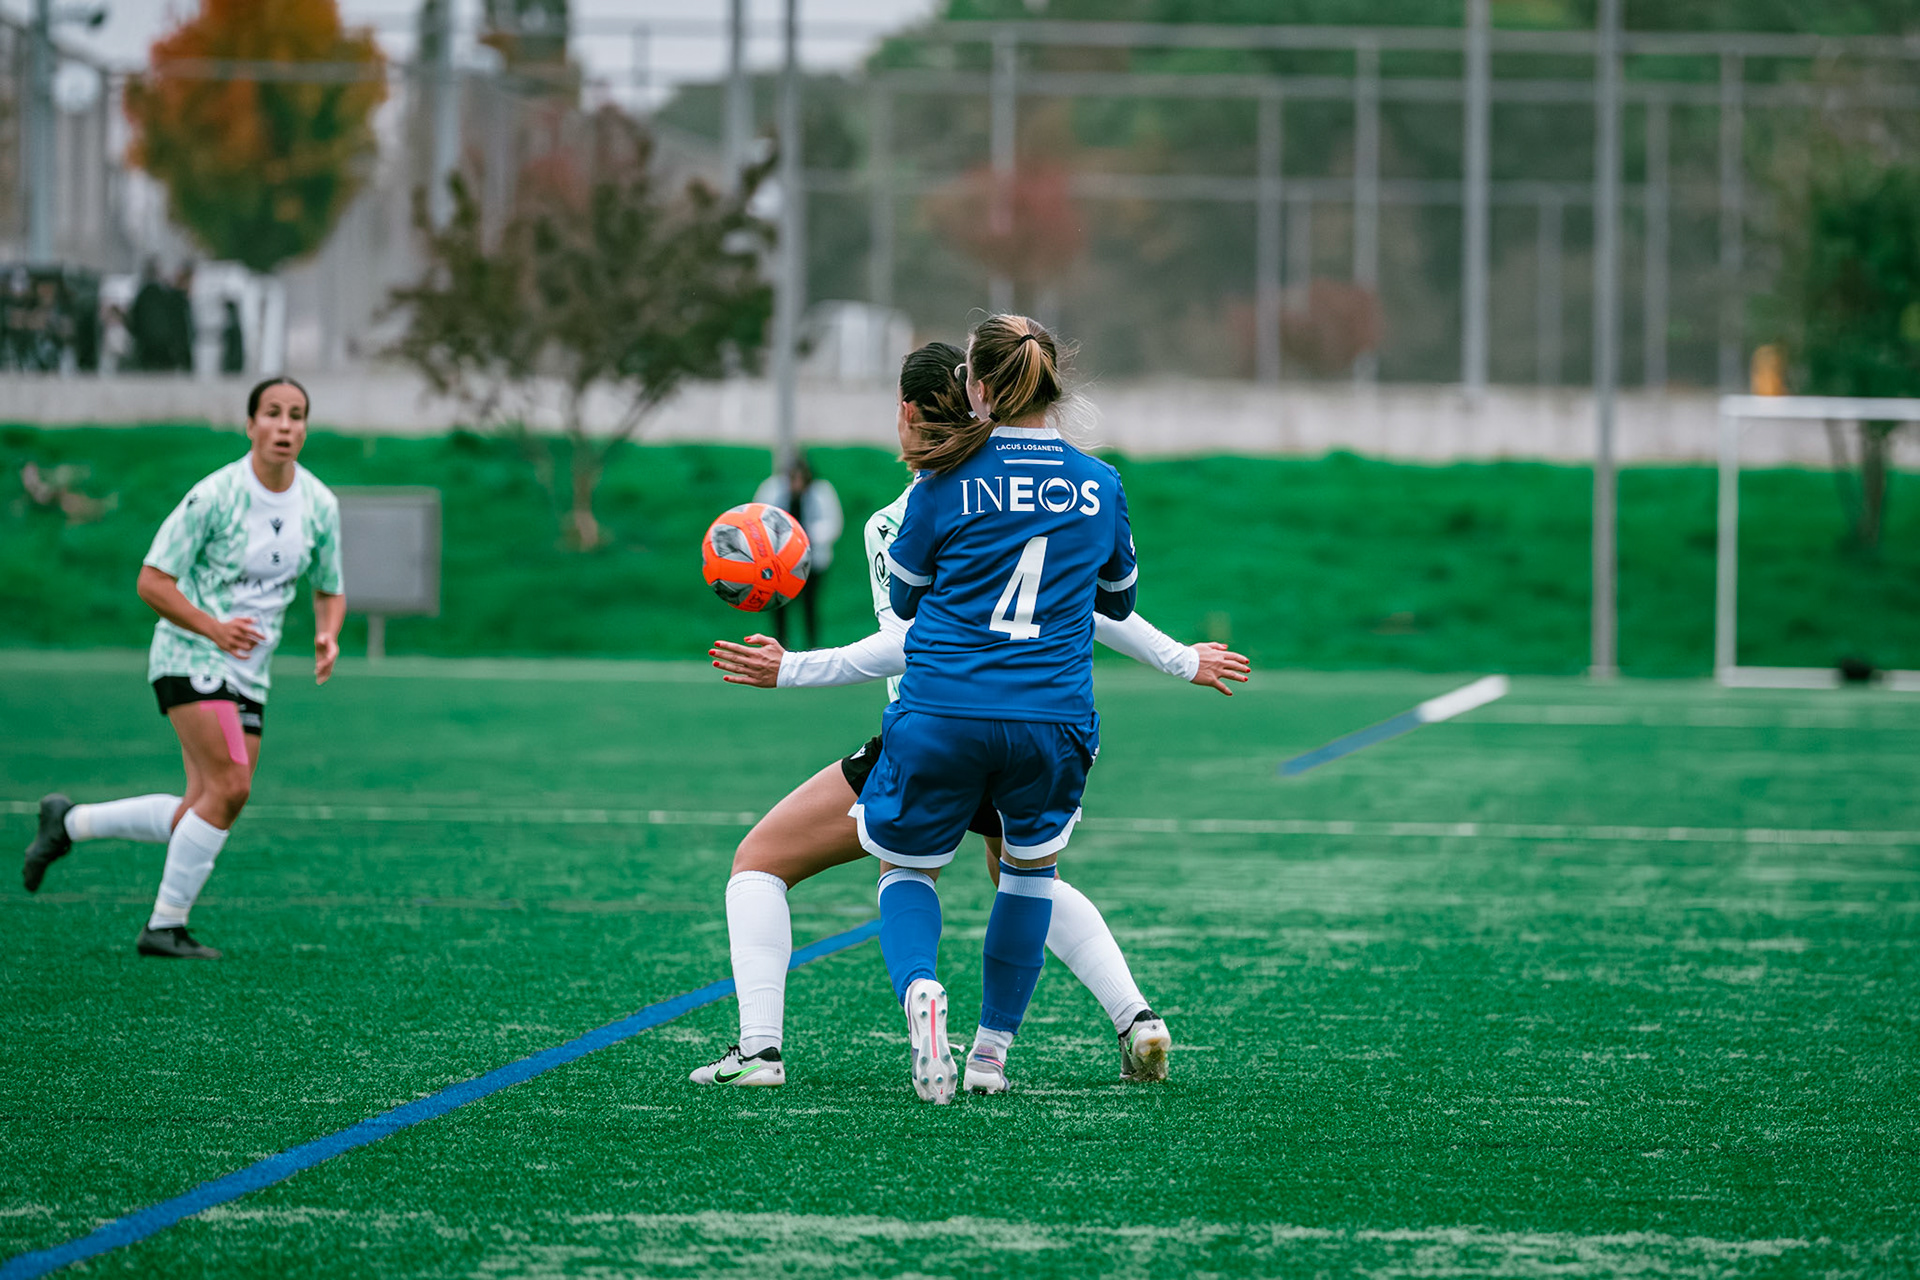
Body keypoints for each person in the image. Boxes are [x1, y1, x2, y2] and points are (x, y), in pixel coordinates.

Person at [692, 339, 1245, 1094]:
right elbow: (1092, 602)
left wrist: (791, 668)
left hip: (936, 727)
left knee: (765, 860)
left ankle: (763, 1049)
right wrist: (1182, 657)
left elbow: (909, 640)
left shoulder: (916, 507)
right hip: (1041, 724)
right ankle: (1119, 1020)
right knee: (1025, 874)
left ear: (909, 411)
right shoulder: (1076, 483)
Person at [859, 314, 1136, 1103]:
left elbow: (907, 598)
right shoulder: (1102, 484)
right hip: (1051, 718)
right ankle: (989, 1057)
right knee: (1028, 875)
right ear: (1054, 382)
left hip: (943, 708)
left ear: (976, 388)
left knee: (907, 865)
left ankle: (920, 989)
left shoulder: (944, 482)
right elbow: (1117, 598)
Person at [22, 378, 346, 958]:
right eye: (272, 413)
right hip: (190, 654)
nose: (285, 425)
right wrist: (214, 628)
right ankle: (164, 926)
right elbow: (152, 581)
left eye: (296, 415)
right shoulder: (214, 496)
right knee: (231, 785)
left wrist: (328, 633)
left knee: (206, 802)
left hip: (248, 671)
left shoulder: (320, 504)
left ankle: (68, 823)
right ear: (250, 425)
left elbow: (329, 587)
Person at [753, 455, 842, 649]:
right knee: (779, 605)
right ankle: (779, 645)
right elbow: (760, 519)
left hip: (811, 561)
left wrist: (802, 538)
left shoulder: (821, 492)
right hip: (779, 562)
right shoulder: (772, 489)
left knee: (809, 605)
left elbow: (832, 524)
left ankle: (812, 646)